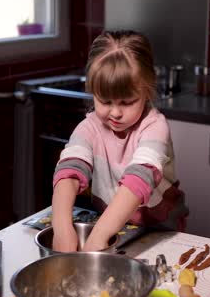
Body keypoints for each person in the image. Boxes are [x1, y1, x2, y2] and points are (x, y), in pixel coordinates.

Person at [51, 30, 188, 252]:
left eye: (127, 102)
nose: (115, 112)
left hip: (161, 232)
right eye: (104, 101)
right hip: (112, 228)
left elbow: (138, 181)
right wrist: (61, 227)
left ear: (147, 91)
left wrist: (97, 238)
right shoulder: (90, 128)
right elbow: (69, 172)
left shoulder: (155, 127)